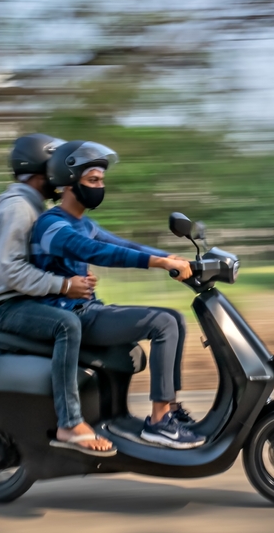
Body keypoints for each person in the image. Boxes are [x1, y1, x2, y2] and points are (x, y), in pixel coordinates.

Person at [29, 140, 205, 449]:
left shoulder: (84, 224)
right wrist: (158, 263)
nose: (99, 187)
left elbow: (124, 246)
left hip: (87, 310)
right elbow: (95, 251)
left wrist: (170, 258)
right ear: (69, 183)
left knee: (174, 319)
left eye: (101, 181)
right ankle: (159, 422)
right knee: (163, 322)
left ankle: (170, 410)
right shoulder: (51, 225)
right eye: (92, 180)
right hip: (70, 316)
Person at [0, 133, 115, 456]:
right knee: (67, 324)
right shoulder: (18, 209)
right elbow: (12, 271)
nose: (61, 177)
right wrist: (64, 286)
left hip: (25, 296)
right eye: (56, 169)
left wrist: (76, 277)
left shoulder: (35, 207)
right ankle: (70, 422)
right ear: (41, 170)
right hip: (5, 304)